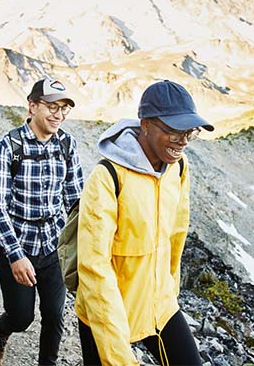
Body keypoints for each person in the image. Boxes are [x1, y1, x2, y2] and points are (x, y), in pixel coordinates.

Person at [74, 80, 213, 366]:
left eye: (190, 132)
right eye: (174, 130)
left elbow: (176, 234)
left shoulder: (179, 168)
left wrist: (170, 289)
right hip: (108, 311)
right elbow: (94, 268)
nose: (183, 141)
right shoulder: (107, 177)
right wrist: (119, 357)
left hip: (159, 304)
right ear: (146, 124)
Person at [0, 77, 84, 366]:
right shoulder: (7, 148)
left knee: (54, 316)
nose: (58, 114)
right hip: (17, 246)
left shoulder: (67, 145)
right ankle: (1, 329)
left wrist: (83, 244)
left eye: (64, 108)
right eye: (52, 106)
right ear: (32, 106)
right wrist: (16, 257)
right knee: (22, 317)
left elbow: (74, 201)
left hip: (54, 247)